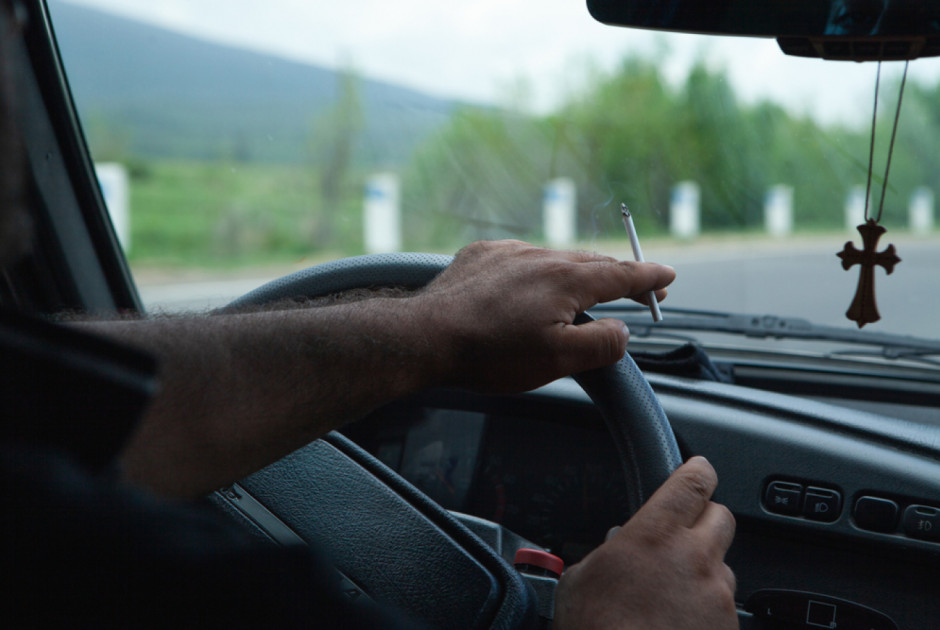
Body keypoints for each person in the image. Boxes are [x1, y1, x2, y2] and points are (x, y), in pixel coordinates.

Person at [0, 3, 736, 628]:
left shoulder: (40, 495)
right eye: (8, 10)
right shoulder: (156, 575)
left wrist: (433, 326)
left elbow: (56, 403)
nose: (25, 30)